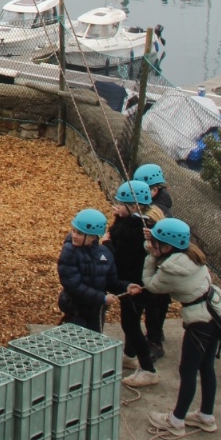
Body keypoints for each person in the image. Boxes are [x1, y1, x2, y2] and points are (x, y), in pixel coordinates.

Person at [144, 217, 221, 436]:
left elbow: (151, 284)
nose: (152, 245)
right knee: (206, 366)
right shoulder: (192, 254)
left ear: (167, 247)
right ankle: (206, 416)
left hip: (200, 322)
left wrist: (150, 256)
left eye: (156, 242)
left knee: (187, 371)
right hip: (215, 312)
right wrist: (155, 246)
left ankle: (176, 421)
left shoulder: (171, 269)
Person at [108, 180, 160, 388]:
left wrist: (106, 243)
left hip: (134, 285)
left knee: (130, 325)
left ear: (133, 206)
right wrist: (118, 217)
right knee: (132, 319)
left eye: (122, 204)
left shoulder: (132, 229)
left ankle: (148, 369)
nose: (118, 206)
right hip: (137, 283)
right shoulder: (144, 224)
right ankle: (129, 356)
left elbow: (118, 252)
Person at [56, 208, 139, 332]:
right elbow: (73, 285)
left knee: (95, 337)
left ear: (93, 237)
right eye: (73, 231)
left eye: (80, 233)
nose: (74, 236)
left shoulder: (104, 253)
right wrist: (102, 298)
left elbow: (111, 281)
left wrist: (126, 287)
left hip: (96, 309)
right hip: (75, 307)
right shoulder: (69, 252)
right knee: (75, 337)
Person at [134, 164, 174, 357]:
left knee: (154, 303)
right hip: (161, 263)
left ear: (154, 190)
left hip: (159, 264)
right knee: (159, 302)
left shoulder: (156, 212)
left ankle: (155, 342)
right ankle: (157, 332)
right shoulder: (160, 206)